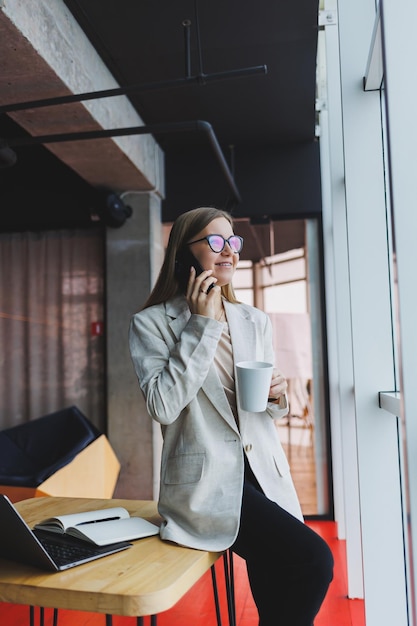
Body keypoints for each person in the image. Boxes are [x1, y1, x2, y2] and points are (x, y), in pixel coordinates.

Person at [129, 206, 333, 626]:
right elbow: (163, 406)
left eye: (233, 241)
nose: (230, 252)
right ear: (185, 254)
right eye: (215, 241)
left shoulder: (253, 320)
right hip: (208, 481)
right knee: (314, 560)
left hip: (263, 471)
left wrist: (278, 395)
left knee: (277, 586)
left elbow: (265, 410)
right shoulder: (152, 324)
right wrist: (201, 325)